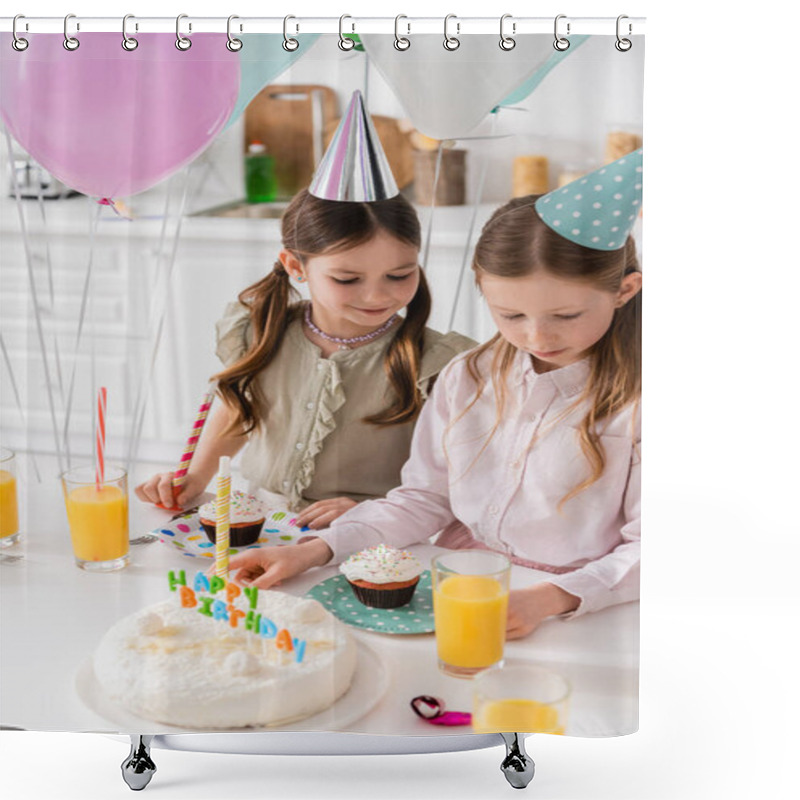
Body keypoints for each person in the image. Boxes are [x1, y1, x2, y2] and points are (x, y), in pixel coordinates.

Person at [227, 150, 644, 639]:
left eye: (565, 316)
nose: (537, 337)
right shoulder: (467, 376)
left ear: (625, 290)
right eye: (510, 315)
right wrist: (312, 551)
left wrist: (548, 600)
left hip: (583, 606)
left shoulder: (641, 403)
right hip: (458, 580)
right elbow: (422, 499)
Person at [135, 93, 474, 528]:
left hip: (369, 533)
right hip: (258, 521)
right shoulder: (260, 330)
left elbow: (456, 475)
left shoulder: (436, 364)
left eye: (399, 274)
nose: (377, 296)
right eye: (347, 279)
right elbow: (242, 408)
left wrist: (377, 511)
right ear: (295, 266)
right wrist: (195, 476)